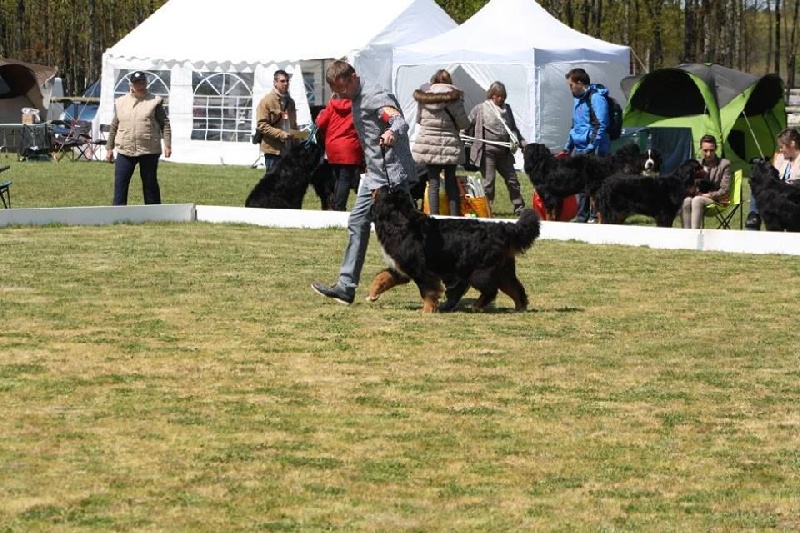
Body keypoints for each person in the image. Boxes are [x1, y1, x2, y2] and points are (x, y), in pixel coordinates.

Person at [311, 60, 416, 304]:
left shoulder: (375, 96)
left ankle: (441, 274)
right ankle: (346, 286)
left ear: (353, 77)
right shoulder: (354, 97)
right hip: (374, 175)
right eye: (337, 92)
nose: (342, 95)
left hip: (391, 176)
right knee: (357, 221)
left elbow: (399, 121)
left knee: (411, 232)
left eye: (343, 89)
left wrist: (391, 132)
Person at [106, 71, 171, 205]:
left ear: (146, 83)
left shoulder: (155, 101)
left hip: (149, 149)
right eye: (137, 83)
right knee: (120, 182)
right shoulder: (121, 102)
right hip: (125, 149)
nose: (140, 86)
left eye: (143, 82)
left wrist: (167, 145)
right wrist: (109, 148)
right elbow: (114, 126)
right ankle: (117, 212)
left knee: (149, 182)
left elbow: (165, 124)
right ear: (131, 85)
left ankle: (153, 212)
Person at [412, 69, 470, 216]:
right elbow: (463, 124)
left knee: (433, 184)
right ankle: (454, 217)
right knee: (451, 182)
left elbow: (418, 120)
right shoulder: (455, 98)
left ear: (434, 82)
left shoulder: (424, 98)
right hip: (450, 144)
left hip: (429, 144)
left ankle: (434, 216)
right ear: (449, 82)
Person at [467, 81, 526, 216]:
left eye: (502, 96)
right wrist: (461, 135)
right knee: (489, 182)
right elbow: (468, 123)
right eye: (497, 96)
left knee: (513, 180)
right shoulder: (481, 108)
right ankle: (486, 208)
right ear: (491, 95)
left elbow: (512, 129)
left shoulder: (508, 109)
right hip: (487, 151)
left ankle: (519, 206)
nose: (500, 99)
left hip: (504, 152)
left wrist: (521, 141)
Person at [561, 68, 611, 223]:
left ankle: (595, 215)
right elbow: (575, 125)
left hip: (595, 150)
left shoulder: (596, 98)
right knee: (580, 183)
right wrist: (567, 147)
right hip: (580, 148)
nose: (570, 88)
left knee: (595, 185)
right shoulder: (578, 99)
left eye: (571, 85)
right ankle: (582, 215)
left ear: (580, 83)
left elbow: (600, 125)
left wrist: (591, 147)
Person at [315, 95, 364, 211]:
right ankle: (339, 208)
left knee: (338, 177)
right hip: (350, 146)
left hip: (333, 146)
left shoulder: (332, 104)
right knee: (345, 179)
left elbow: (321, 123)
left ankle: (336, 205)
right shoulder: (357, 104)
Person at [746, 127, 800, 230]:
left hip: (793, 197)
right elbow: (772, 178)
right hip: (779, 197)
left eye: (782, 146)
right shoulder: (781, 159)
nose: (780, 150)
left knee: (770, 197)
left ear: (792, 143)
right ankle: (753, 217)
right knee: (760, 189)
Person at [680, 134, 731, 229]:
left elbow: (725, 190)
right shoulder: (696, 164)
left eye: (711, 150)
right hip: (697, 195)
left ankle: (695, 236)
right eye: (705, 150)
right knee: (686, 201)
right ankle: (686, 236)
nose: (708, 154)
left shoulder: (725, 164)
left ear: (716, 148)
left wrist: (706, 195)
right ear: (700, 149)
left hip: (718, 200)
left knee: (697, 200)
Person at [256, 69, 296, 173]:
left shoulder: (291, 102)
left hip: (289, 149)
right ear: (275, 83)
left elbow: (293, 124)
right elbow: (262, 125)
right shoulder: (267, 101)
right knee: (273, 183)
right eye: (282, 81)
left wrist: (300, 138)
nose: (286, 83)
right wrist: (281, 134)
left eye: (287, 81)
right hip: (273, 149)